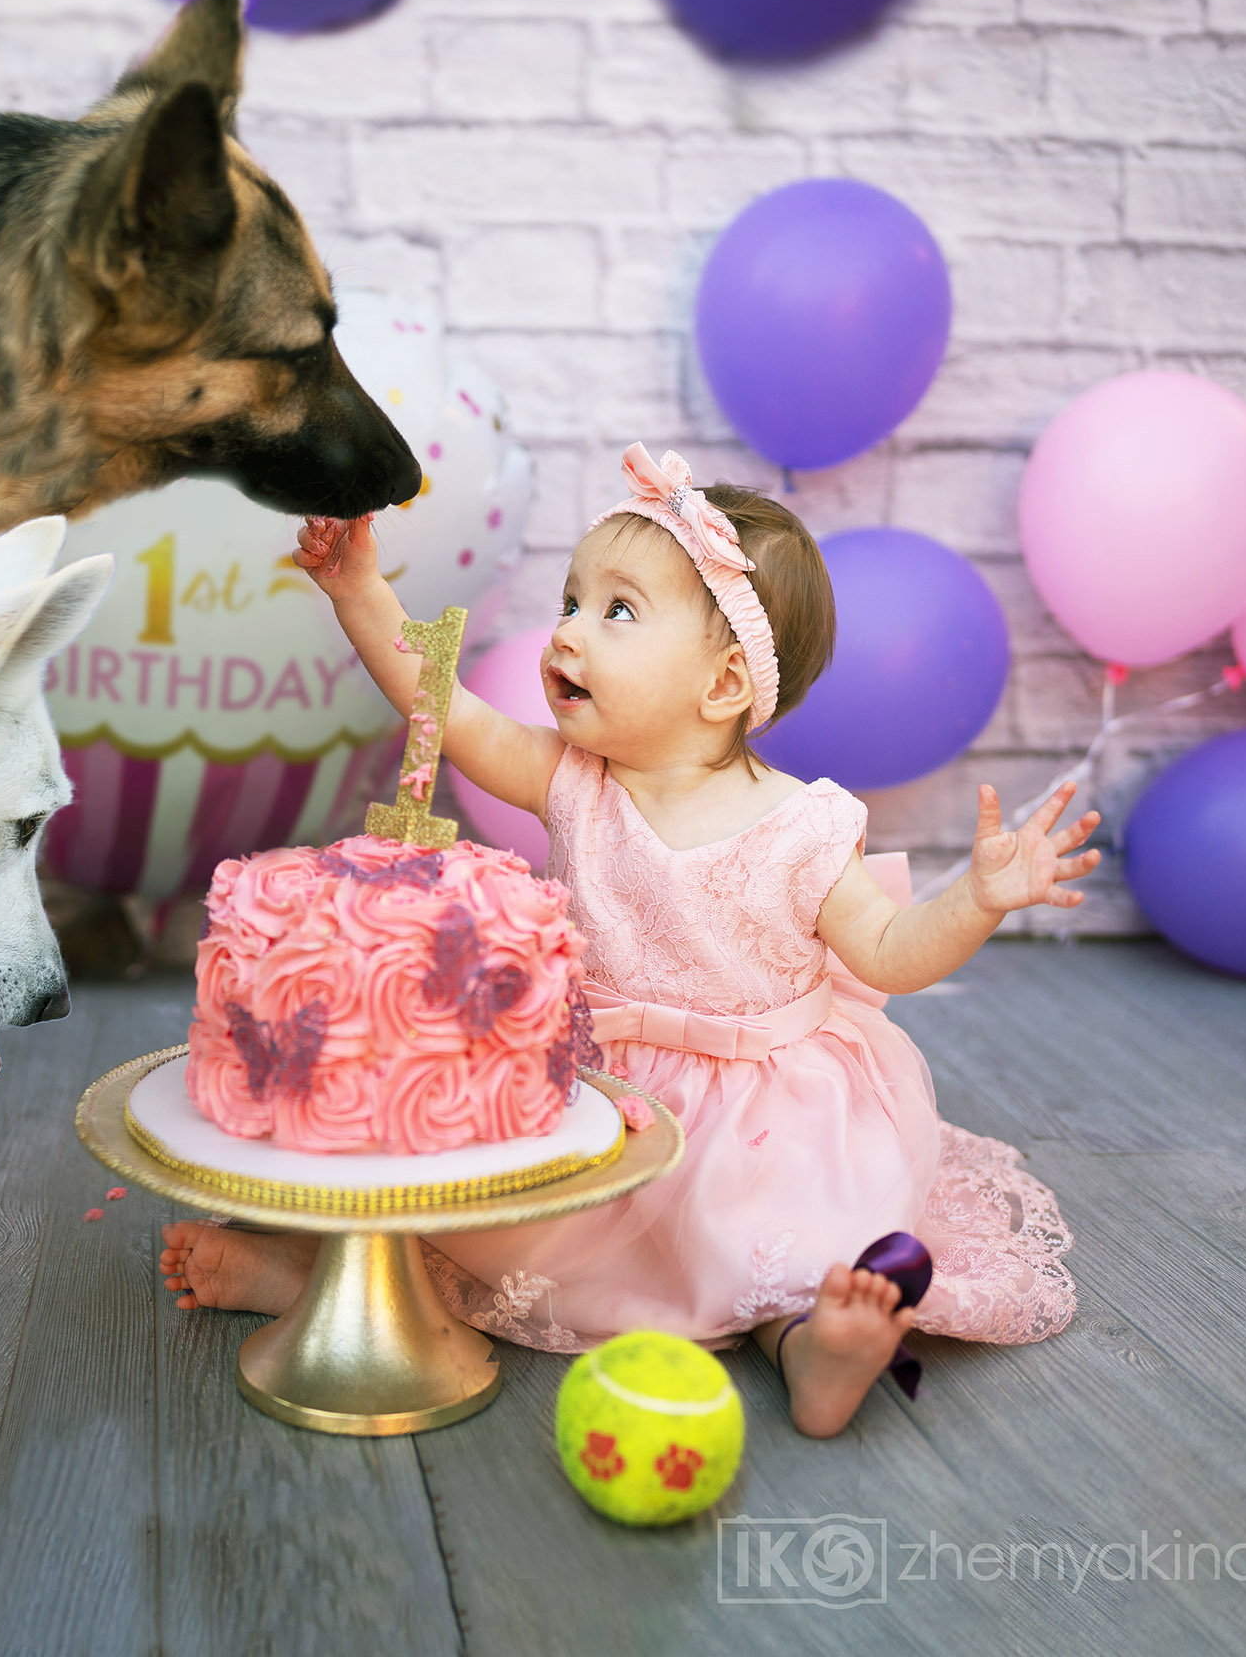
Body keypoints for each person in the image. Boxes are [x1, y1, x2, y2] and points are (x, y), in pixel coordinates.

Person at [160, 444, 1093, 1437]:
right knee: (470, 1211)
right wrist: (357, 592)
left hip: (760, 1119)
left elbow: (890, 952)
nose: (564, 632)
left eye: (613, 611)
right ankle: (315, 1274)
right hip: (598, 1093)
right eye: (569, 601)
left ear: (724, 680)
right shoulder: (571, 777)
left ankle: (812, 1345)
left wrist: (979, 896)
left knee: (773, 1253)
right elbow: (443, 704)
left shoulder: (802, 825)